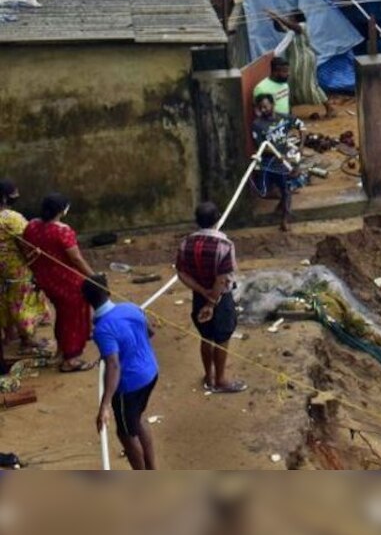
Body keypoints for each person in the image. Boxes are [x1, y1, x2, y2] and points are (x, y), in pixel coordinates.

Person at [85, 278, 159, 470]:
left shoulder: (102, 330)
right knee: (138, 417)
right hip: (150, 371)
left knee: (126, 434)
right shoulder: (130, 307)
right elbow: (150, 332)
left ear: (87, 301)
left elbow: (114, 366)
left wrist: (105, 405)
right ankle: (151, 468)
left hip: (129, 385)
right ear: (108, 292)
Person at [174, 202, 246, 394]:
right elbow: (222, 279)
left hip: (199, 295)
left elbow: (181, 273)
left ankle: (209, 376)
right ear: (217, 219)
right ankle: (221, 380)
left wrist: (202, 291)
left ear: (197, 221)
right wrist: (212, 302)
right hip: (220, 300)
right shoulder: (224, 246)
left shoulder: (185, 243)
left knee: (206, 336)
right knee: (222, 338)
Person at [23, 194, 98, 372]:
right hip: (68, 282)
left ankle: (61, 351)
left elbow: (26, 248)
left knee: (63, 316)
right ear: (63, 210)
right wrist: (94, 278)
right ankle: (71, 359)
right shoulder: (62, 231)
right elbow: (76, 258)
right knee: (74, 318)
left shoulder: (32, 226)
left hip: (47, 280)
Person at [0, 180, 51, 356]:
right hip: (16, 268)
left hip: (2, 269)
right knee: (22, 301)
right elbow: (28, 240)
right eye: (14, 193)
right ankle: (27, 342)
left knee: (4, 300)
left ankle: (9, 335)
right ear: (5, 197)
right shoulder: (11, 218)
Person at [251, 94, 303, 232]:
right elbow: (261, 146)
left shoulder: (284, 118)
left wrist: (301, 147)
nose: (263, 110)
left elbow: (301, 126)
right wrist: (279, 156)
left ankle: (285, 219)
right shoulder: (257, 124)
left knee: (286, 189)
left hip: (284, 163)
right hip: (269, 163)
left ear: (273, 105)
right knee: (263, 191)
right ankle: (282, 203)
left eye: (266, 106)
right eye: (260, 107)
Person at [267, 10, 333, 117]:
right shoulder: (291, 30)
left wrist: (278, 17)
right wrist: (275, 20)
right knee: (291, 83)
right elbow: (279, 28)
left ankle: (330, 108)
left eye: (290, 17)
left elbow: (292, 26)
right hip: (294, 60)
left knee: (309, 84)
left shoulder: (302, 26)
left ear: (296, 18)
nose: (288, 18)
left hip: (305, 59)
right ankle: (289, 111)